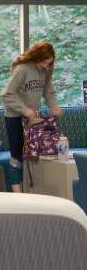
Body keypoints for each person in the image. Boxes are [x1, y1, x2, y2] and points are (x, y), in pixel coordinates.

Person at [2, 40, 63, 193]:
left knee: (32, 153)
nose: (47, 67)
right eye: (44, 63)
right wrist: (25, 110)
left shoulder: (46, 70)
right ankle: (18, 196)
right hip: (15, 116)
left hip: (32, 119)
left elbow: (48, 91)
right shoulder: (22, 69)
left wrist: (53, 105)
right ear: (37, 56)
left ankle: (31, 192)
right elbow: (7, 94)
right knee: (17, 155)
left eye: (49, 63)